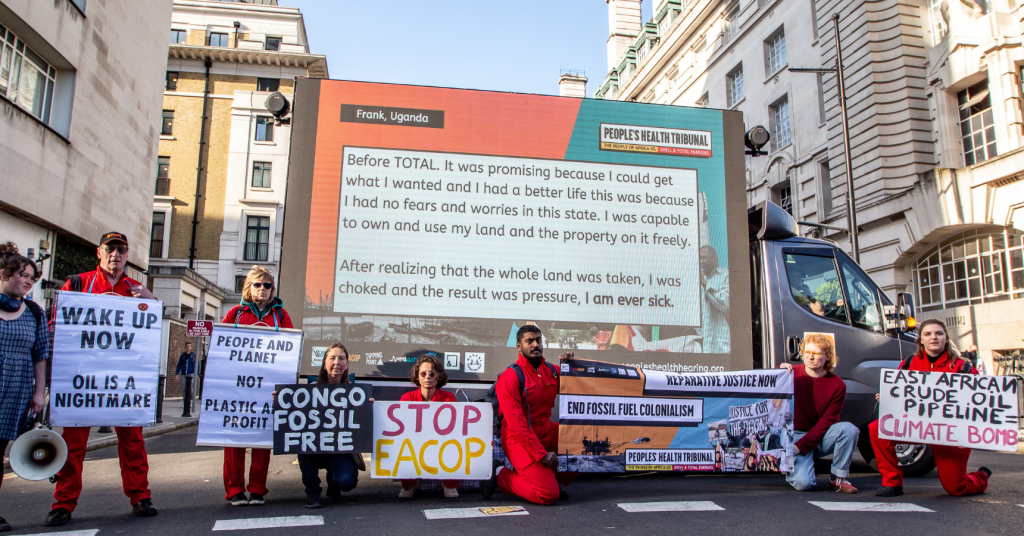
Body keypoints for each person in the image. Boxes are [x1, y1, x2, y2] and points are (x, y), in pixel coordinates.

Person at [47, 232, 158, 527]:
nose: (116, 255)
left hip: (123, 381)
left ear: (127, 253)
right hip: (83, 378)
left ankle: (140, 496)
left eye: (121, 249)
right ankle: (63, 503)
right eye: (110, 249)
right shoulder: (79, 283)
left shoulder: (136, 288)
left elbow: (150, 331)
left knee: (132, 440)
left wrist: (151, 302)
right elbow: (56, 326)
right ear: (99, 252)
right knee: (74, 443)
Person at [869, 318, 990, 497]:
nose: (934, 337)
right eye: (928, 334)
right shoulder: (910, 363)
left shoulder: (963, 367)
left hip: (949, 430)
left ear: (946, 339)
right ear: (921, 340)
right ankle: (892, 482)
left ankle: (981, 476)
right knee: (877, 428)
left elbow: (981, 401)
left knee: (956, 488)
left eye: (939, 333)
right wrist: (888, 396)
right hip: (915, 423)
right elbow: (899, 392)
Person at [220, 265, 293, 506]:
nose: (262, 289)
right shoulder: (235, 314)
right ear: (248, 288)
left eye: (267, 285)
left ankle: (258, 488)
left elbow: (290, 351)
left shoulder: (281, 316)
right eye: (257, 285)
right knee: (235, 441)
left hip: (267, 388)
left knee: (263, 440)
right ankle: (234, 490)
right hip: (238, 388)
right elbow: (222, 349)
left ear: (273, 289)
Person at [481, 325, 576, 505]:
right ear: (519, 346)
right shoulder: (510, 376)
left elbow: (578, 386)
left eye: (538, 340)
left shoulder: (552, 370)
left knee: (584, 441)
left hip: (546, 432)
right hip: (518, 439)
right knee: (548, 495)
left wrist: (571, 367)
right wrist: (541, 454)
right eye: (529, 341)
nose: (535, 345)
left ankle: (551, 478)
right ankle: (500, 474)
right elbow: (517, 424)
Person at [0, 244, 49, 533]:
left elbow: (41, 354)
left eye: (32, 277)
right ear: (5, 274)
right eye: (23, 274)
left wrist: (38, 393)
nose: (29, 281)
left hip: (16, 389)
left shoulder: (33, 311)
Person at [779, 333, 859, 493]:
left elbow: (827, 422)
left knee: (849, 430)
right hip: (793, 435)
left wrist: (800, 447)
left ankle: (838, 478)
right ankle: (797, 465)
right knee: (803, 484)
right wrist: (777, 374)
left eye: (815, 353)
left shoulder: (837, 385)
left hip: (819, 436)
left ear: (827, 356)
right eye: (806, 352)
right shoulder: (790, 374)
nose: (810, 357)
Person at [297, 342, 362, 508]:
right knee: (304, 445)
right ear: (324, 364)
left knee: (347, 483)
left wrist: (367, 407)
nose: (337, 362)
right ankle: (312, 491)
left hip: (339, 450)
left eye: (341, 358)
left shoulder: (356, 394)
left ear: (347, 365)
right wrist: (281, 400)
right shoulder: (308, 391)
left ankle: (334, 482)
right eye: (332, 358)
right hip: (314, 449)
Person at [398, 354, 460, 499]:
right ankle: (409, 485)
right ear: (417, 377)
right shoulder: (406, 399)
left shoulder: (449, 398)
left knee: (455, 445)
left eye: (432, 373)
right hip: (416, 443)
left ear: (438, 376)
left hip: (442, 443)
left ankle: (449, 485)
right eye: (423, 374)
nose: (428, 377)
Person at [700, 245, 730, 353]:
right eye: (699, 259)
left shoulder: (725, 275)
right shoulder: (697, 281)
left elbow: (726, 304)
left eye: (703, 258)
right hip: (703, 348)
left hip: (721, 347)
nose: (701, 262)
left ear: (714, 258)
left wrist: (704, 284)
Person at [175, 342, 197, 417]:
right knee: (184, 388)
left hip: (191, 373)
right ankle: (185, 403)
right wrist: (177, 373)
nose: (188, 347)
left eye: (189, 346)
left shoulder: (193, 355)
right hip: (184, 373)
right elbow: (179, 365)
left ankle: (190, 402)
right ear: (185, 347)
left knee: (190, 388)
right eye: (187, 346)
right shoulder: (182, 356)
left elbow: (197, 364)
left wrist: (197, 373)